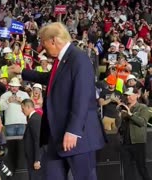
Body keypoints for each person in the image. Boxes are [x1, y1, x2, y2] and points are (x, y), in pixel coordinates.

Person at [9, 22, 106, 180]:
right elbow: (51, 78)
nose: (41, 46)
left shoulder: (78, 58)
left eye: (42, 41)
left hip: (77, 136)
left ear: (53, 40)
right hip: (57, 136)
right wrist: (23, 72)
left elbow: (81, 97)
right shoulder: (62, 60)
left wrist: (73, 130)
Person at [117, 87, 151, 180]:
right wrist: (119, 117)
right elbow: (119, 126)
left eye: (130, 95)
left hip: (137, 143)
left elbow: (142, 122)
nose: (128, 97)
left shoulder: (142, 107)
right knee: (127, 169)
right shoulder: (123, 107)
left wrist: (130, 114)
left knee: (141, 168)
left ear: (137, 95)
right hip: (125, 143)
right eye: (126, 95)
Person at [21, 99, 42, 180]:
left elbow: (38, 140)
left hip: (34, 157)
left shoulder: (35, 119)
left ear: (28, 107)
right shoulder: (33, 118)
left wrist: (37, 160)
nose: (22, 111)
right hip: (31, 156)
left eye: (23, 108)